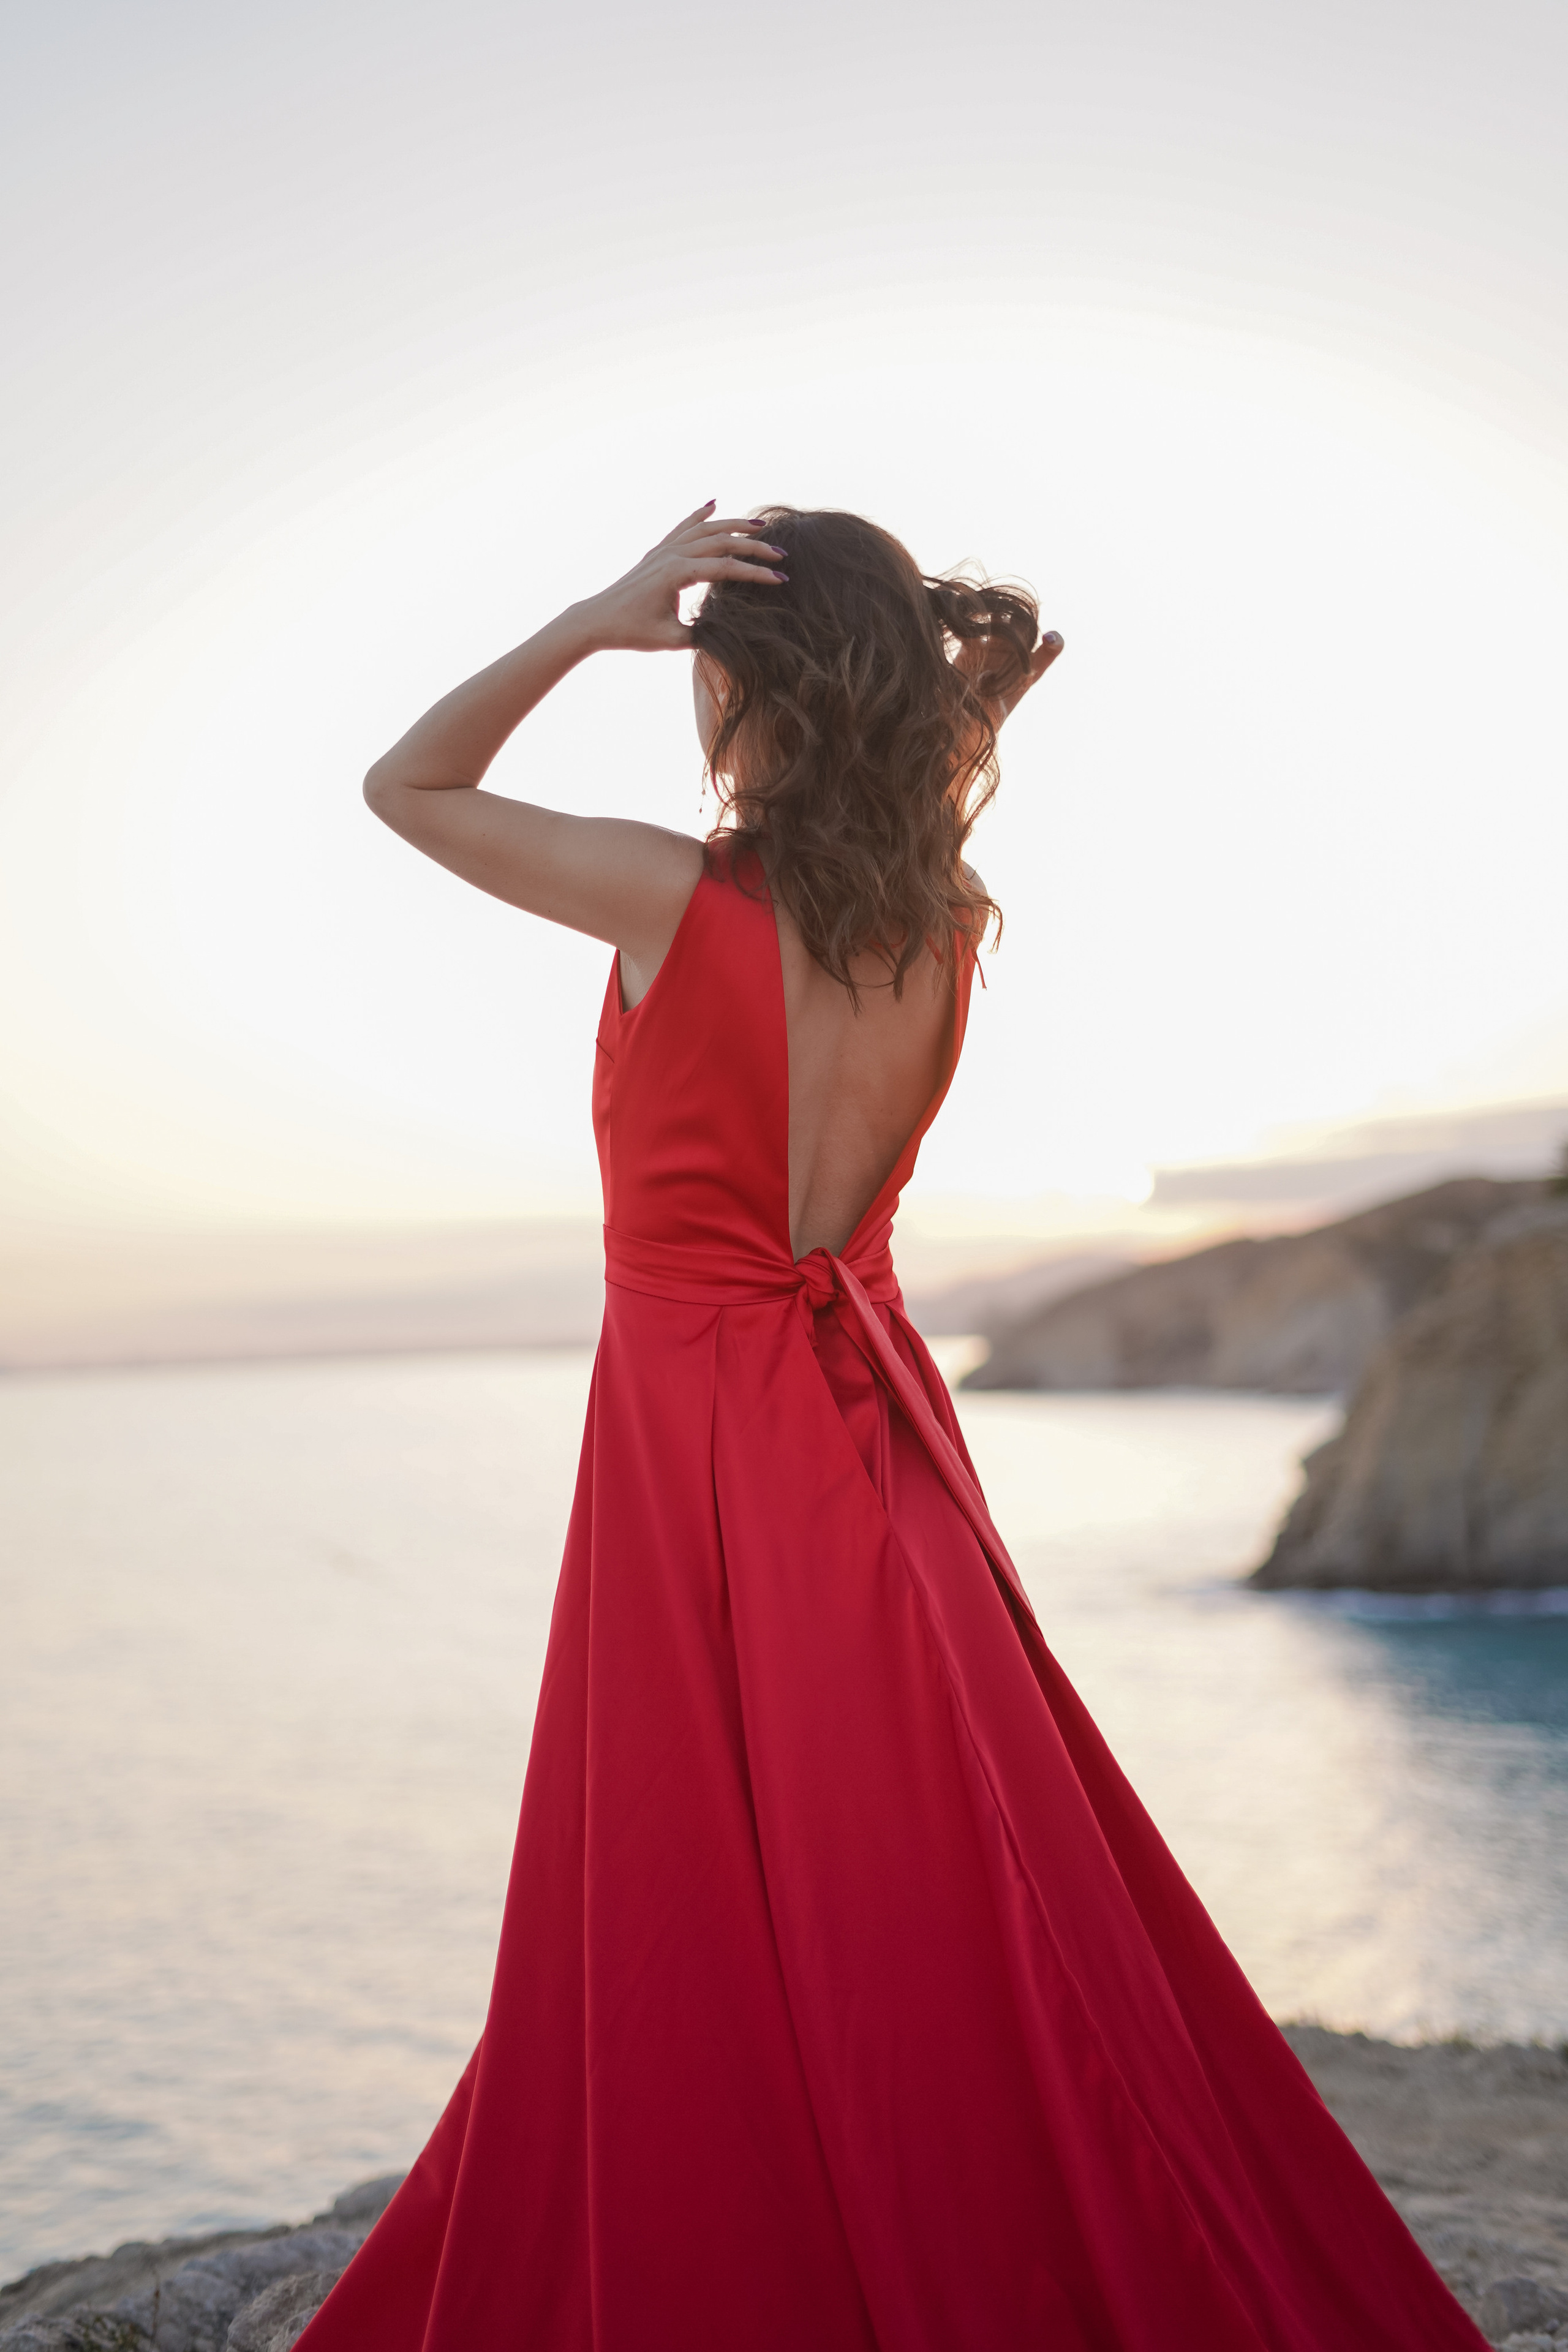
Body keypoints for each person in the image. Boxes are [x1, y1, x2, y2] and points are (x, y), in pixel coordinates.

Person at [295, 505, 1488, 2350]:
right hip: (873, 1437)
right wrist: (923, 684)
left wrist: (587, 618)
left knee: (712, 1883)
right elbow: (945, 739)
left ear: (743, 688)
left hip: (709, 1452)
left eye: (700, 659)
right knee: (918, 1867)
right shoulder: (931, 927)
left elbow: (406, 783)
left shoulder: (672, 902)